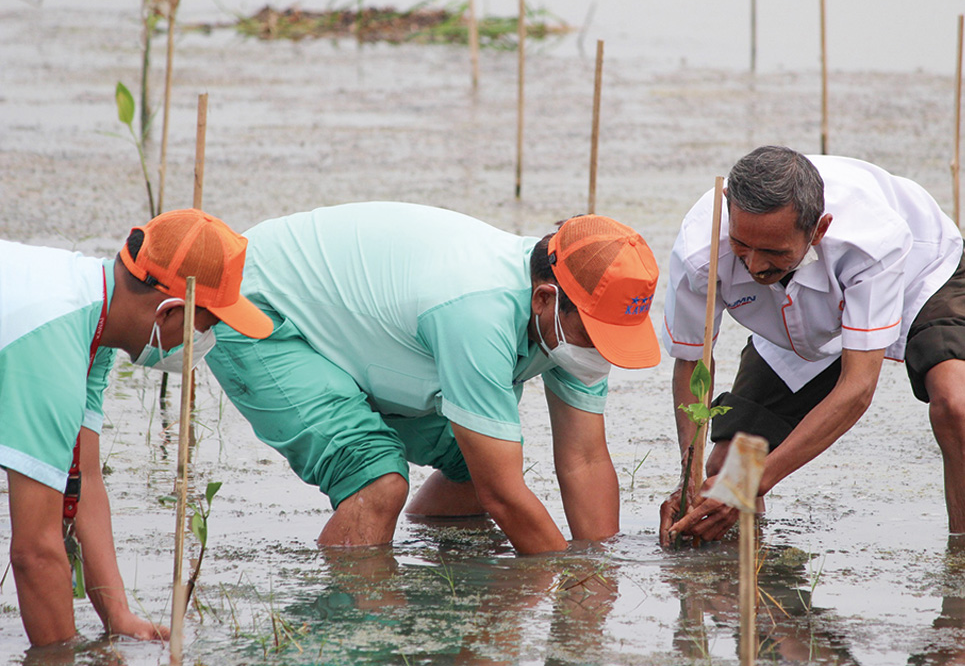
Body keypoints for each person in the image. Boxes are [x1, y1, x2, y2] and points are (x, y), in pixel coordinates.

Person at [205, 202, 661, 554]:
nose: (603, 352)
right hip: (257, 310)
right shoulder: (479, 314)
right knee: (376, 482)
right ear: (544, 299)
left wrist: (600, 573)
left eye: (615, 337)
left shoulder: (576, 316)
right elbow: (501, 494)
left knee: (472, 463)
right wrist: (565, 578)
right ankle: (341, 624)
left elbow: (585, 459)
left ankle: (427, 553)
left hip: (366, 338)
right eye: (595, 336)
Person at [658, 145, 965, 546]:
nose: (753, 266)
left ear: (819, 230)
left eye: (772, 251)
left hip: (921, 277)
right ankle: (752, 580)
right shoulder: (701, 250)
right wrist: (690, 479)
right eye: (741, 246)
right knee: (725, 470)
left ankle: (959, 559)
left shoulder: (873, 241)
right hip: (797, 317)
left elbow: (857, 389)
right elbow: (692, 365)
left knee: (956, 404)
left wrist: (754, 482)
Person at [0, 209, 273, 646]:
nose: (207, 339)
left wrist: (117, 614)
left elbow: (84, 476)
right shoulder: (52, 341)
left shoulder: (94, 321)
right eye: (208, 324)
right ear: (170, 312)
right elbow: (34, 551)